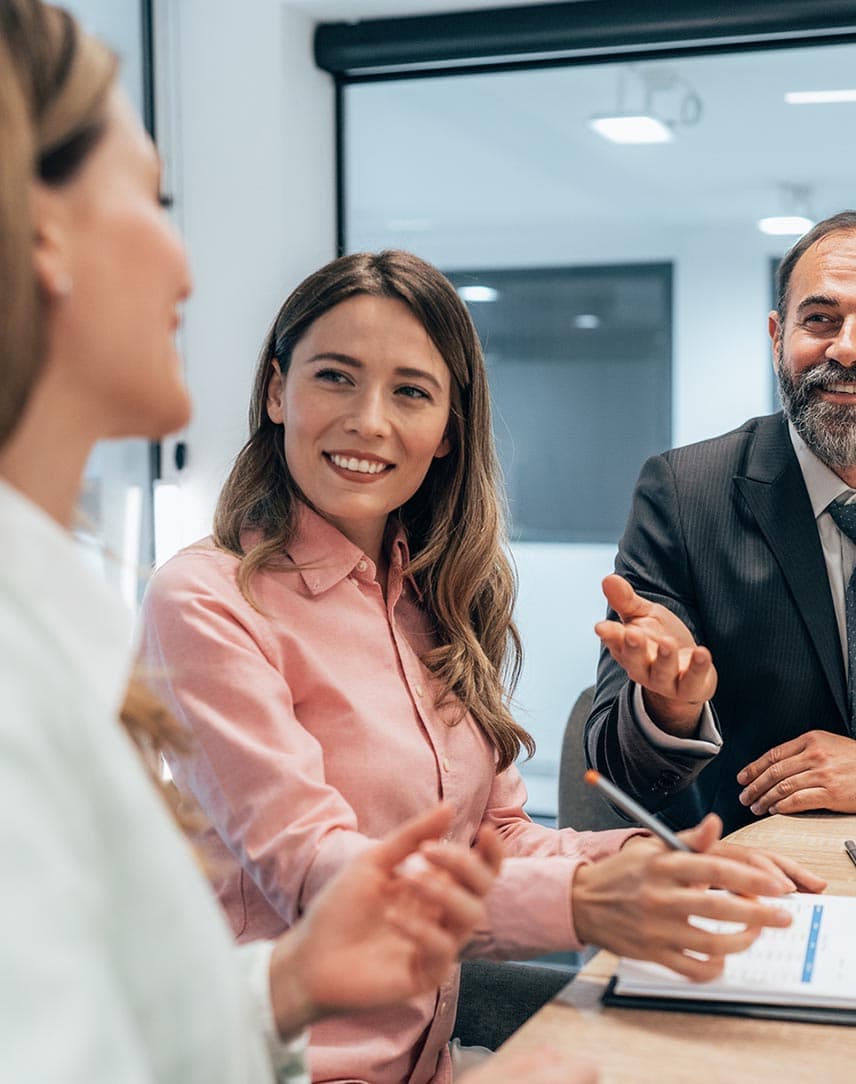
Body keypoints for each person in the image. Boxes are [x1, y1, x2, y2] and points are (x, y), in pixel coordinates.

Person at [0, 4, 536, 1082]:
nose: (188, 271)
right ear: (45, 233)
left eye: (411, 392)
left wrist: (284, 987)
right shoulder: (77, 640)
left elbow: (130, 1016)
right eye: (152, 200)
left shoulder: (53, 619)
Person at [137, 247, 819, 1084]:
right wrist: (581, 905)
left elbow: (495, 836)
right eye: (335, 378)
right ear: (277, 391)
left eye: (411, 392)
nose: (370, 421)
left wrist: (668, 866)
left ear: (449, 430)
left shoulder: (434, 600)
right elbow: (320, 875)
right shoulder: (203, 600)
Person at [586, 210, 856, 835]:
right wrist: (668, 707)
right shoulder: (685, 495)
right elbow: (617, 772)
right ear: (776, 337)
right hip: (762, 888)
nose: (846, 348)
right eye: (820, 320)